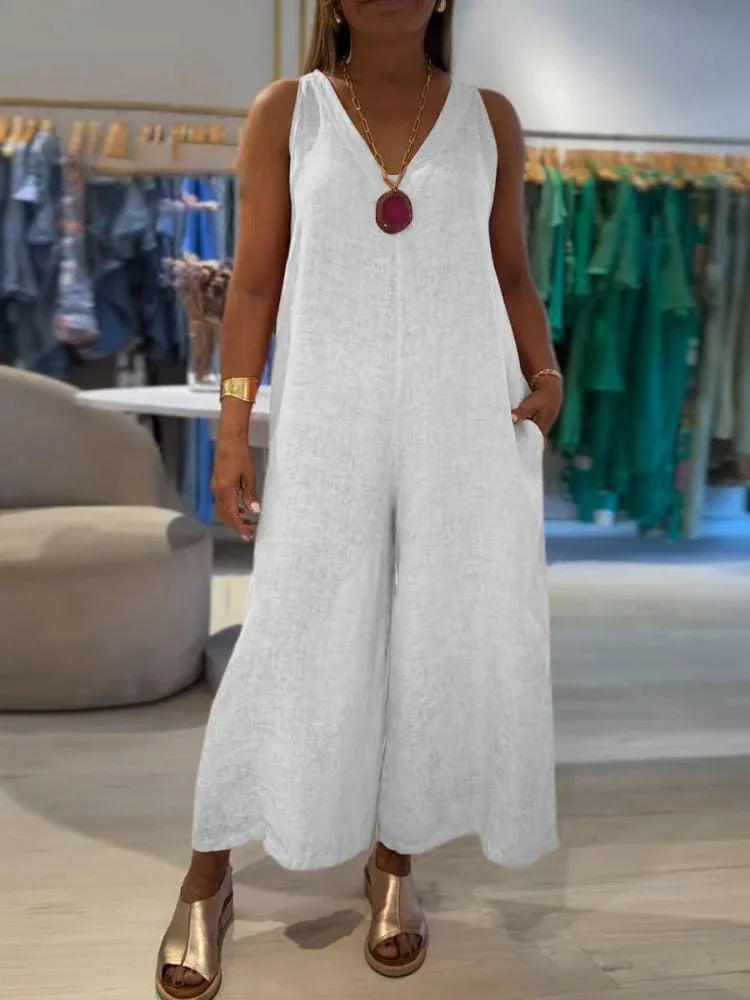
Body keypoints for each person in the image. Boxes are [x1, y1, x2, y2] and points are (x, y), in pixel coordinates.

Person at [156, 0, 562, 996]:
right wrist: (234, 428)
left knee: (433, 633)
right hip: (326, 419)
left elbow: (511, 271)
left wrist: (546, 371)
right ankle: (208, 875)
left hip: (461, 414)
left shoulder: (488, 118)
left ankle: (394, 862)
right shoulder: (288, 110)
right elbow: (255, 285)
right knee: (292, 627)